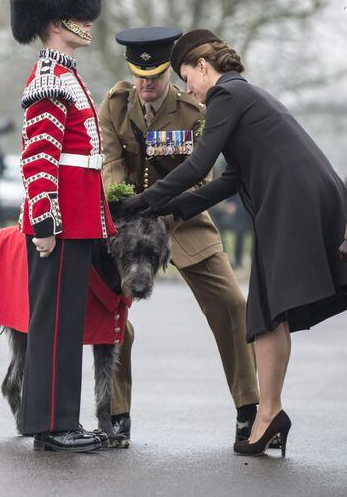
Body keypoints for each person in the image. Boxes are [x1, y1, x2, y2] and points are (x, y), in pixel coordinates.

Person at [122, 29, 347, 456]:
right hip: (298, 197)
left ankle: (268, 414)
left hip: (290, 200)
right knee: (267, 311)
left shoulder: (227, 94)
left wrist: (141, 202)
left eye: (187, 76)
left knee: (265, 311)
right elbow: (228, 179)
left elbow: (198, 165)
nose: (188, 87)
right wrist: (167, 210)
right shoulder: (243, 96)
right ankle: (270, 413)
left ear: (203, 67)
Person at [99, 26, 259, 446]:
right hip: (123, 225)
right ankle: (115, 415)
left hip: (183, 222)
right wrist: (125, 213)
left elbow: (199, 177)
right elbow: (110, 166)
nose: (146, 84)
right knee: (114, 321)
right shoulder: (115, 106)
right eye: (139, 76)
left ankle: (250, 409)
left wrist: (159, 219)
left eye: (154, 77)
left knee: (231, 304)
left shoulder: (194, 111)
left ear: (171, 71)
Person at [10, 0, 116, 452]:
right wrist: (46, 223)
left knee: (64, 323)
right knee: (52, 326)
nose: (87, 21)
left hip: (77, 216)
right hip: (60, 221)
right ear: (57, 21)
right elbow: (39, 158)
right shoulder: (50, 77)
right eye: (78, 13)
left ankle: (58, 421)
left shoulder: (67, 74)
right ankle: (52, 426)